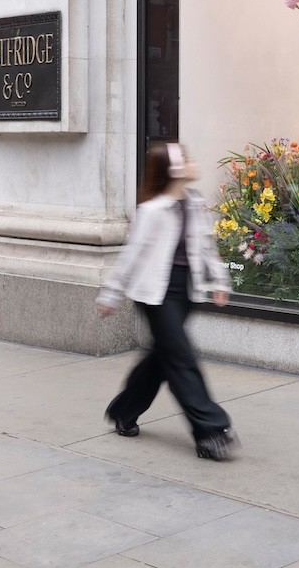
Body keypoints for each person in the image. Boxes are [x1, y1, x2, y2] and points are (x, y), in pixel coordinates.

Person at [96, 142, 239, 460]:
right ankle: (210, 430)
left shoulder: (193, 202)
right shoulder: (152, 210)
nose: (190, 162)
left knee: (163, 359)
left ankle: (123, 411)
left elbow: (206, 247)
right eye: (184, 158)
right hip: (155, 295)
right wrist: (111, 294)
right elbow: (131, 256)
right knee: (182, 359)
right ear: (172, 168)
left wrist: (218, 280)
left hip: (185, 291)